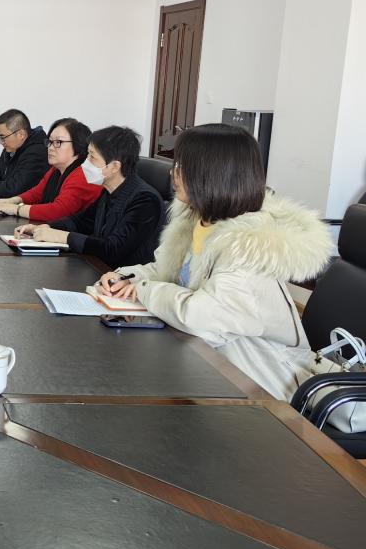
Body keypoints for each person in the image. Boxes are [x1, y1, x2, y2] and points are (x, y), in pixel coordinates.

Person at [96, 124, 333, 401]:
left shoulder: (248, 247)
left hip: (256, 389)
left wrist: (143, 290)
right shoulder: (199, 221)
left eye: (182, 166)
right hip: (204, 366)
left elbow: (200, 317)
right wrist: (127, 278)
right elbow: (165, 270)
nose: (173, 173)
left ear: (213, 174)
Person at [14, 125, 163, 268]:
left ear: (114, 167)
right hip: (98, 269)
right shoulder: (108, 190)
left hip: (123, 280)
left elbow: (114, 249)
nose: (85, 163)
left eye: (92, 157)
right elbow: (82, 221)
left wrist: (62, 237)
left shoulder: (145, 200)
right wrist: (45, 227)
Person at [0, 117, 102, 223]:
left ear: (78, 145)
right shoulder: (56, 170)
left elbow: (58, 211)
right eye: (50, 142)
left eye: (58, 142)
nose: (50, 148)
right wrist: (12, 200)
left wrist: (16, 209)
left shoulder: (84, 174)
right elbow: (37, 193)